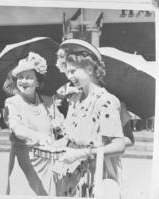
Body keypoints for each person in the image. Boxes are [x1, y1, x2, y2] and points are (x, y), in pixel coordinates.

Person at [54, 39, 126, 198]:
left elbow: (119, 145)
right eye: (67, 72)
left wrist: (82, 153)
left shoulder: (105, 101)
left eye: (73, 71)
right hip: (72, 175)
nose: (69, 77)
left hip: (96, 175)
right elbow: (70, 138)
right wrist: (52, 144)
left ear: (89, 68)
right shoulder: (73, 99)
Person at [3, 52, 64, 196]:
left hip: (48, 163)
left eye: (29, 77)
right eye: (20, 77)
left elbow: (63, 127)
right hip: (24, 163)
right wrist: (38, 137)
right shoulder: (12, 103)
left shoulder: (48, 102)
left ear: (38, 82)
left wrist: (58, 125)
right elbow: (17, 128)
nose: (23, 81)